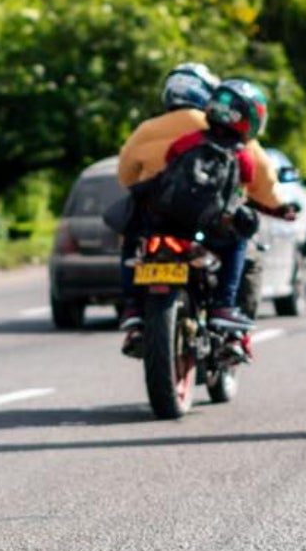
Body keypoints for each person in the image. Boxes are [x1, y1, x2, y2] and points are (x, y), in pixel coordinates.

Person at [116, 65, 291, 356]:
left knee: (131, 238)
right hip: (209, 225)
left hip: (158, 221)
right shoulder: (226, 131)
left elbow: (125, 177)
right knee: (242, 246)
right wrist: (280, 206)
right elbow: (260, 179)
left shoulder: (147, 129)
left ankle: (132, 306)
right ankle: (226, 312)